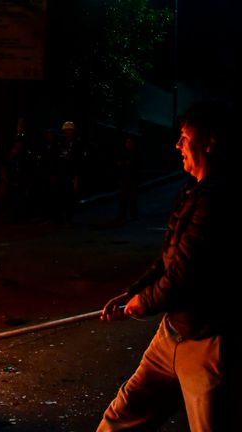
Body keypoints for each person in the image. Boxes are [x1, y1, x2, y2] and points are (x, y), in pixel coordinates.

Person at [98, 101, 239, 431]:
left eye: (184, 137)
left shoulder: (220, 199)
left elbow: (184, 275)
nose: (177, 145)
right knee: (119, 422)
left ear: (209, 141)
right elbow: (168, 260)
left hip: (208, 344)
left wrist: (140, 304)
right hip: (169, 337)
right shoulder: (192, 191)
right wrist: (131, 292)